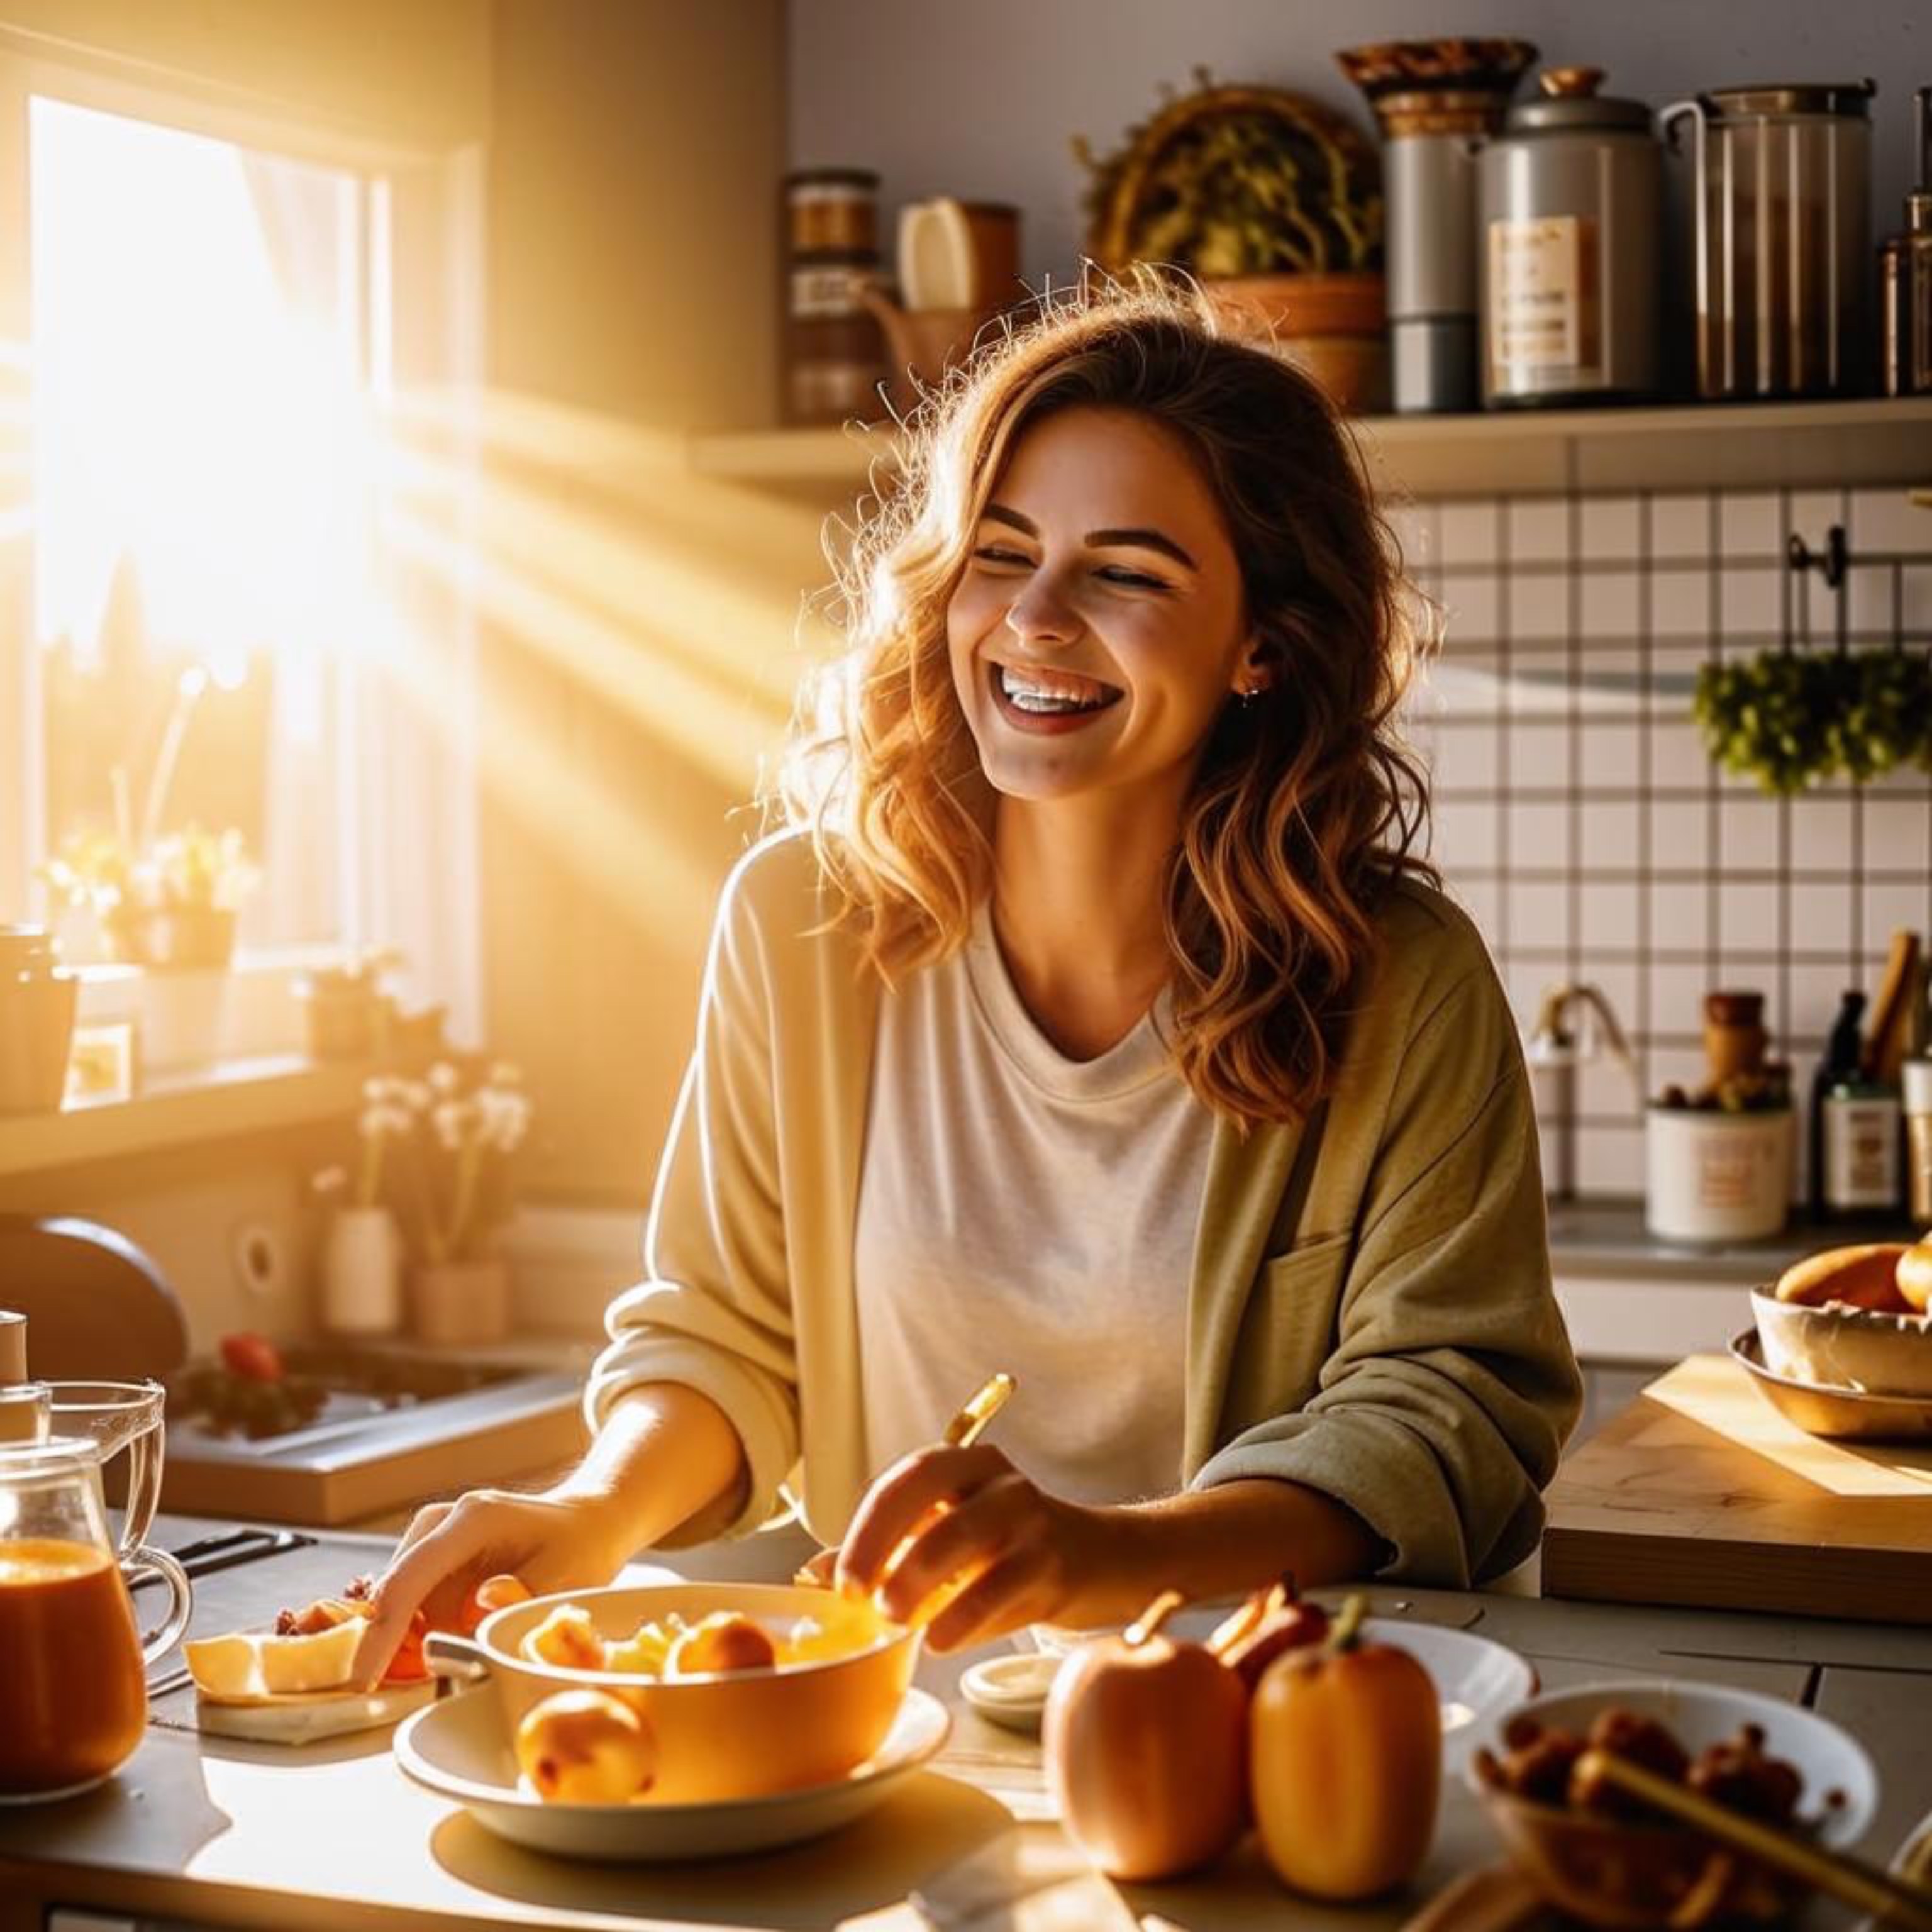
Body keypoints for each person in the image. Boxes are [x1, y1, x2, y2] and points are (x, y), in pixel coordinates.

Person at [358, 274, 1580, 1683]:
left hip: (1249, 1712)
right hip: (888, 1720)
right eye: (1002, 554)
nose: (1038, 617)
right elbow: (728, 1334)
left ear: (1261, 642)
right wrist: (589, 1512)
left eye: (1125, 572)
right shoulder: (801, 928)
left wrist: (1102, 1559)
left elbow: (1449, 1409)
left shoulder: (1400, 985)